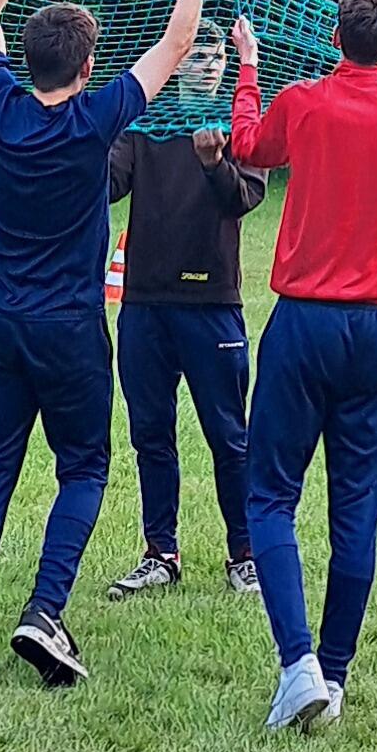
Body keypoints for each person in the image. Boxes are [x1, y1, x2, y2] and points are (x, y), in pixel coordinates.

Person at [0, 0, 228, 692]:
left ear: (27, 65)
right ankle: (43, 612)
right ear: (88, 67)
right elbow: (176, 41)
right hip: (66, 329)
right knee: (85, 467)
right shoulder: (98, 120)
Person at [227, 0, 377, 736]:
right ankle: (336, 675)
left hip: (306, 322)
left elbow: (249, 145)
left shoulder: (303, 101)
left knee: (271, 497)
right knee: (357, 511)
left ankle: (298, 668)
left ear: (333, 36)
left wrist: (248, 68)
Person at [104, 34, 267, 601]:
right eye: (199, 57)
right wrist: (84, 133)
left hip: (213, 306)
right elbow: (107, 183)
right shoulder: (145, 120)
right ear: (175, 66)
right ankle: (160, 553)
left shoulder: (239, 121)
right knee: (151, 435)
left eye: (220, 58)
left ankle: (244, 555)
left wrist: (215, 162)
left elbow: (245, 196)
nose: (211, 67)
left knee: (230, 436)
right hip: (146, 305)